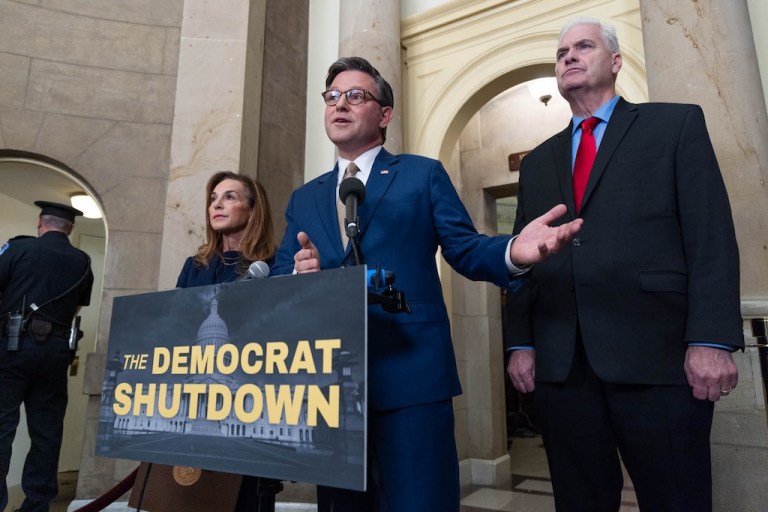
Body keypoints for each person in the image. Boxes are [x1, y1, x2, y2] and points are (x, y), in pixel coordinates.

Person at [271, 56, 582, 512]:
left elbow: (465, 248)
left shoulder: (421, 175)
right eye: (332, 97)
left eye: (355, 96)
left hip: (411, 379)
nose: (340, 105)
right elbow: (280, 277)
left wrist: (514, 251)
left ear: (384, 114)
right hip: (331, 391)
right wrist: (299, 277)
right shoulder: (305, 197)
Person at [506, 16, 743, 512]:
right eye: (561, 51)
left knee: (677, 498)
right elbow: (523, 263)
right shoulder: (538, 162)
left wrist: (711, 339)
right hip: (564, 369)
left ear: (614, 62)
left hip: (657, 360)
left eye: (583, 46)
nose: (568, 56)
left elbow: (710, 238)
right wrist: (522, 343)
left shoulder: (674, 125)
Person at [174, 170, 279, 510]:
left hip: (247, 396)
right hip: (193, 397)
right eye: (213, 199)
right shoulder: (195, 267)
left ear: (253, 210)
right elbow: (177, 327)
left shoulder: (272, 265)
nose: (216, 204)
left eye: (229, 197)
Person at [0, 201, 94, 512]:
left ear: (40, 224)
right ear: (71, 229)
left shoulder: (17, 249)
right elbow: (77, 307)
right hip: (55, 352)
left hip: (12, 346)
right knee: (47, 432)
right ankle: (37, 506)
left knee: (2, 427)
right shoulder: (82, 261)